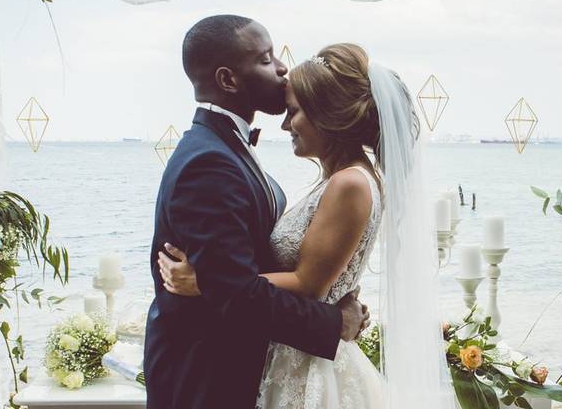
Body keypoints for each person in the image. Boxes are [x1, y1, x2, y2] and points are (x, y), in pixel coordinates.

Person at [160, 42, 423, 408]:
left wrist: (207, 282)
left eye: (294, 112)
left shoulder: (350, 183)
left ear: (327, 115)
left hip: (306, 370)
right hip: (291, 354)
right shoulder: (342, 180)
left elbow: (307, 283)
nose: (285, 124)